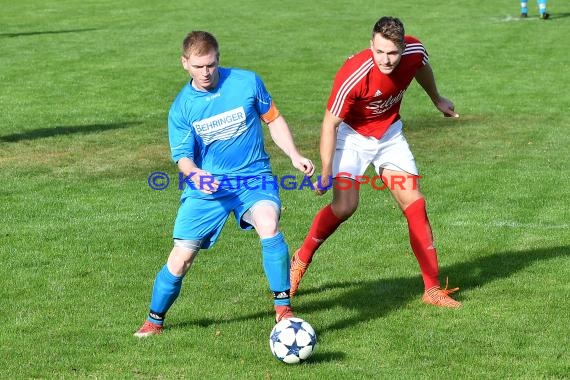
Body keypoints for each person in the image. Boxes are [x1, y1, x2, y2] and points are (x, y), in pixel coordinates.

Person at [134, 31, 315, 337]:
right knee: (181, 258)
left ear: (218, 58)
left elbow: (273, 119)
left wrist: (294, 154)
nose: (206, 72)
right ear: (184, 64)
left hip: (253, 177)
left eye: (211, 65)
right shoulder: (181, 108)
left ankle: (283, 310)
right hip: (207, 188)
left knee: (268, 224)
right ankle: (154, 320)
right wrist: (195, 175)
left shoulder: (246, 82)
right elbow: (183, 158)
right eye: (198, 66)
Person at [289, 16, 462, 308]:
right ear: (371, 45)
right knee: (345, 206)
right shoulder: (353, 74)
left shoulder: (415, 51)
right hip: (352, 138)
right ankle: (301, 258)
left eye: (392, 53)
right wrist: (327, 173)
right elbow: (329, 124)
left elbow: (422, 68)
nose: (386, 59)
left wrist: (437, 99)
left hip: (390, 136)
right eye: (379, 51)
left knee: (415, 204)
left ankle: (432, 289)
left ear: (402, 48)